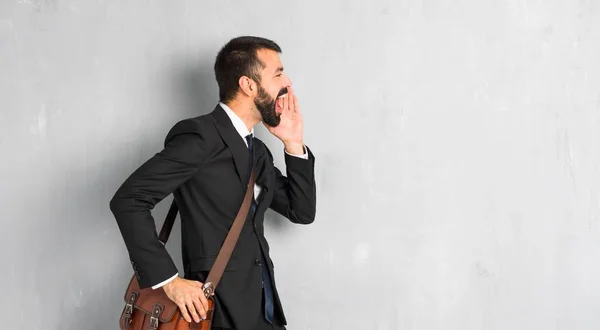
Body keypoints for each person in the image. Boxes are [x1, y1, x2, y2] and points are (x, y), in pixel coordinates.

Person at [109, 36, 317, 330]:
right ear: (248, 85)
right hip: (215, 314)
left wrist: (293, 143)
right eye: (278, 73)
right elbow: (129, 200)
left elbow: (302, 211)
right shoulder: (200, 136)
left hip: (264, 313)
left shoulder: (257, 151)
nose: (287, 82)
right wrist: (168, 280)